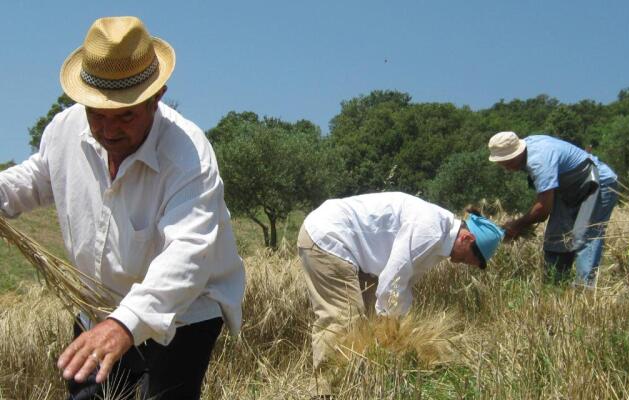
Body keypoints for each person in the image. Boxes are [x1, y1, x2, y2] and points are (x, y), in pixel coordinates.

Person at [0, 16, 245, 399]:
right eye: (96, 114)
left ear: (157, 97)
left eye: (125, 115)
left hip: (182, 312)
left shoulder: (188, 157)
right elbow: (36, 178)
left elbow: (187, 256)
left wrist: (125, 324)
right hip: (97, 308)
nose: (108, 130)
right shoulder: (64, 130)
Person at [297, 192, 504, 398]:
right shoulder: (430, 231)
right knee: (343, 319)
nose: (469, 264)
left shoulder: (439, 238)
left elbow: (402, 286)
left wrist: (394, 325)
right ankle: (324, 393)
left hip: (353, 251)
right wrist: (392, 329)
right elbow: (392, 281)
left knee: (366, 323)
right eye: (474, 258)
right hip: (328, 237)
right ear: (467, 237)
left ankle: (355, 389)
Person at [488, 131, 618, 286]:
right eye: (502, 163)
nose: (506, 168)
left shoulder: (539, 160)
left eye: (507, 162)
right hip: (569, 188)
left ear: (518, 152)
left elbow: (543, 209)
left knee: (586, 236)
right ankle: (555, 286)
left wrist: (517, 225)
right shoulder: (529, 149)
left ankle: (585, 292)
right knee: (556, 237)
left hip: (597, 183)